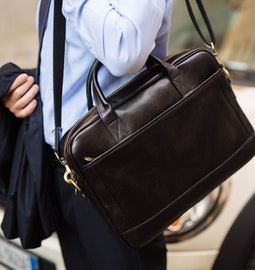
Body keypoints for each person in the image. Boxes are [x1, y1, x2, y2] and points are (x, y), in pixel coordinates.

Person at [0, 0, 173, 269]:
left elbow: (126, 51)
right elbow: (71, 72)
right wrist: (17, 91)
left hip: (115, 172)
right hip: (67, 172)